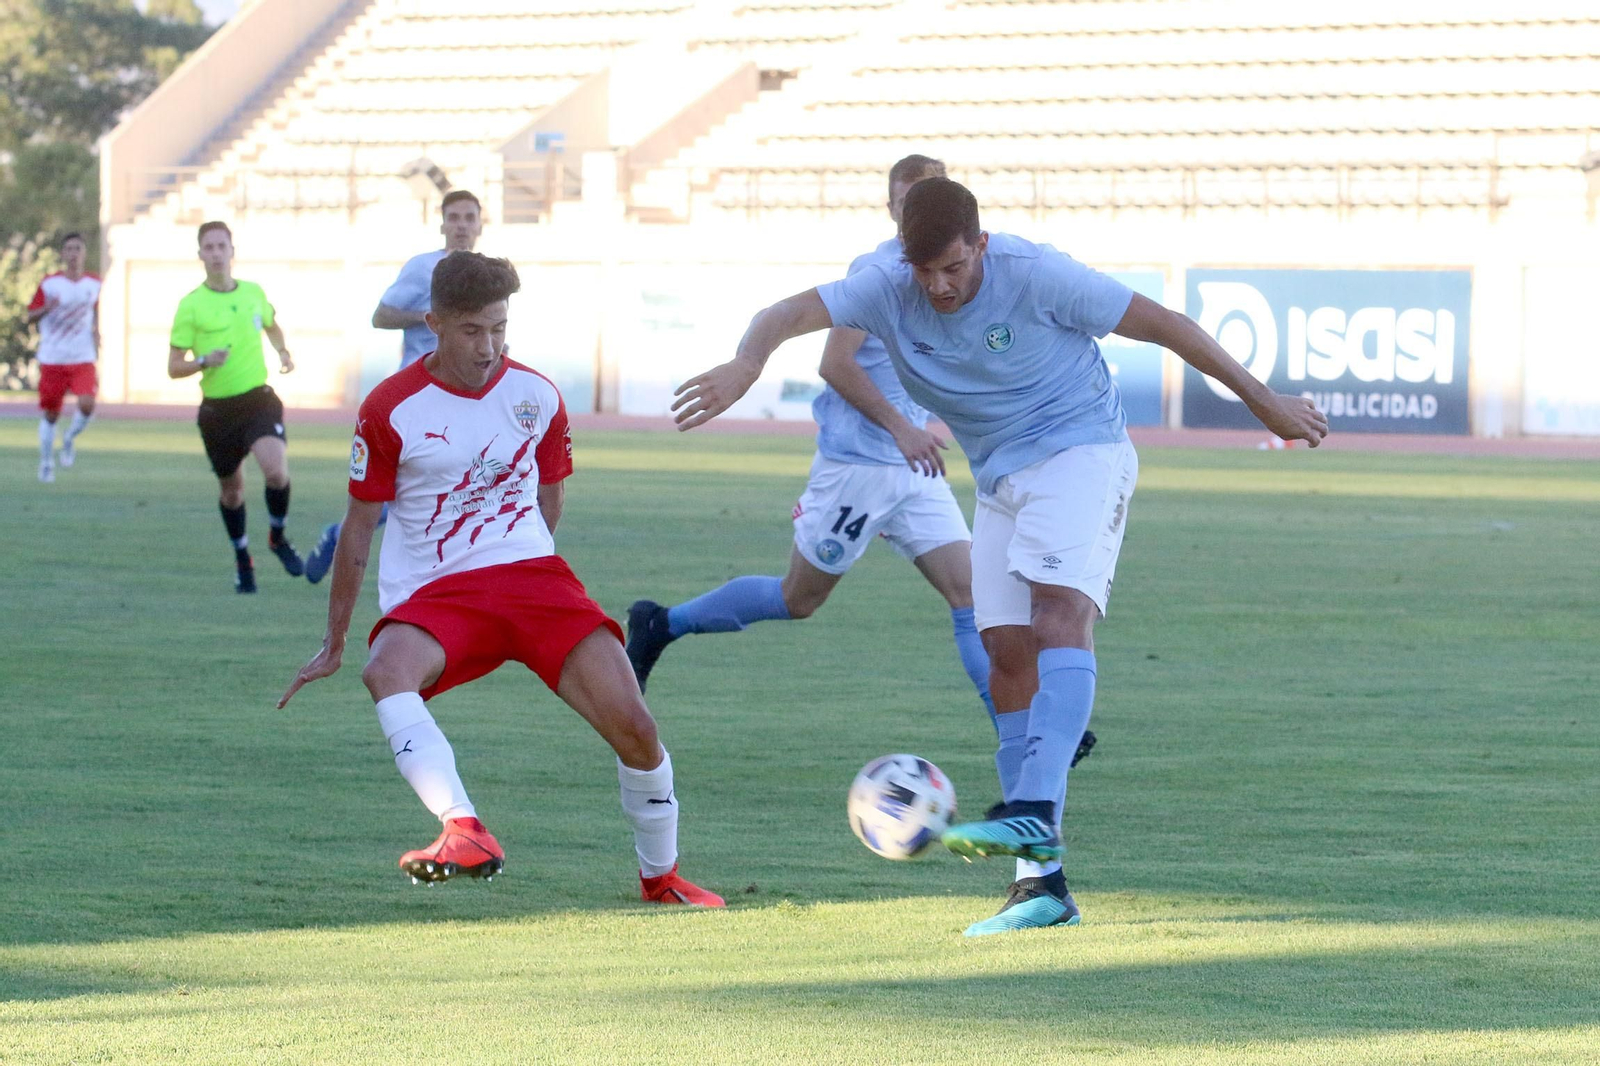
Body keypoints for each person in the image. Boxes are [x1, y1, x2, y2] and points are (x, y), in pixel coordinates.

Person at [671, 177, 1328, 935]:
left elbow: (1167, 324)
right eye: (925, 274)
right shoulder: (886, 285)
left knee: (1059, 618)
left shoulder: (1037, 274)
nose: (939, 287)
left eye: (953, 269)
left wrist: (1264, 402)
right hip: (998, 473)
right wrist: (746, 363)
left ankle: (1030, 812)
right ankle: (1041, 888)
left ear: (979, 245)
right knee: (1005, 650)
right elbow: (784, 314)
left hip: (1082, 447)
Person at [278, 251, 723, 906]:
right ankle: (464, 829)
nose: (488, 347)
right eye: (471, 331)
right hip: (439, 593)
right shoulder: (389, 408)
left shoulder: (537, 396)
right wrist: (335, 641)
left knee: (636, 726)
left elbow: (551, 500)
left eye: (498, 328)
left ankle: (661, 879)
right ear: (433, 323)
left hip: (532, 579)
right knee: (386, 671)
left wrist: (530, 565)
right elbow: (357, 528)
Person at [302, 190, 485, 583]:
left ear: (481, 225)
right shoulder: (424, 269)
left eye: (469, 218)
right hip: (417, 395)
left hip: (466, 398)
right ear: (442, 224)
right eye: (454, 217)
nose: (461, 226)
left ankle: (445, 569)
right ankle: (343, 539)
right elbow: (381, 316)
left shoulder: (487, 275)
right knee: (398, 488)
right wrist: (430, 319)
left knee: (461, 483)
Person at [167, 220, 303, 592]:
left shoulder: (254, 293)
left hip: (257, 399)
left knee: (276, 472)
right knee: (232, 491)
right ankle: (243, 557)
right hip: (217, 411)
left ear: (232, 251)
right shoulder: (190, 306)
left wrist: (283, 351)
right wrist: (202, 362)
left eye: (220, 246)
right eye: (208, 247)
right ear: (200, 255)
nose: (215, 253)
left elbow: (272, 325)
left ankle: (277, 536)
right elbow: (173, 367)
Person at [28, 233, 100, 483]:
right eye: (68, 249)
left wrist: (97, 334)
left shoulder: (94, 283)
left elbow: (97, 311)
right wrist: (46, 309)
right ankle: (47, 462)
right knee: (50, 414)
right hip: (53, 358)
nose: (73, 253)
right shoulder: (50, 284)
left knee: (87, 404)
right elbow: (30, 315)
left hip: (82, 357)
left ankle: (69, 438)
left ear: (84, 252)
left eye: (77, 248)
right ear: (62, 254)